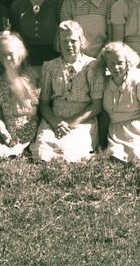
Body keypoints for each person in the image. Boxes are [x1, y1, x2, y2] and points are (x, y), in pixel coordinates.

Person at [33, 21, 105, 162]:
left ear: (81, 41)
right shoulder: (50, 66)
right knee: (42, 152)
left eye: (73, 41)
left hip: (81, 120)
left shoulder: (92, 65)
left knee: (69, 152)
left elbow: (97, 106)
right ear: (58, 42)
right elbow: (44, 103)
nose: (69, 45)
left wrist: (70, 122)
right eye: (64, 41)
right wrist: (55, 122)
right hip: (54, 118)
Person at [0, 34, 41, 159]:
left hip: (28, 128)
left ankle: (13, 153)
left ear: (20, 53)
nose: (7, 58)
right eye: (3, 54)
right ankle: (4, 153)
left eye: (11, 53)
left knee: (20, 148)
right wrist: (2, 132)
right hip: (5, 128)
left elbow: (37, 109)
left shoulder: (32, 76)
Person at [9, 0, 64, 67]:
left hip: (52, 57)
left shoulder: (57, 5)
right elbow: (14, 35)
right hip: (25, 57)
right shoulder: (17, 5)